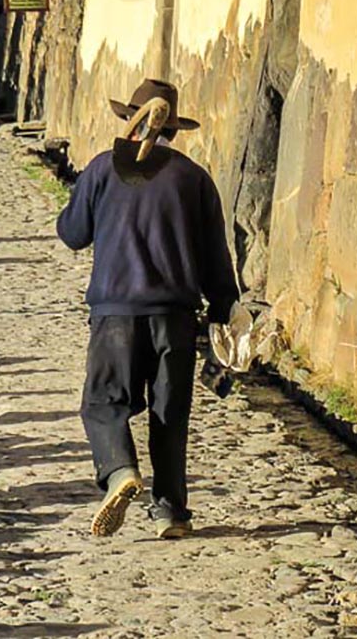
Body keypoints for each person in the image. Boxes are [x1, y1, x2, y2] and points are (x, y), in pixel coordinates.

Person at [57, 78, 239, 539]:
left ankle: (119, 471)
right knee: (169, 413)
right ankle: (171, 513)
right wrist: (225, 316)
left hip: (115, 313)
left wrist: (86, 195)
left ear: (129, 119)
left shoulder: (103, 169)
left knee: (103, 402)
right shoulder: (194, 178)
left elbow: (72, 233)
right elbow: (217, 261)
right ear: (174, 130)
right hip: (175, 317)